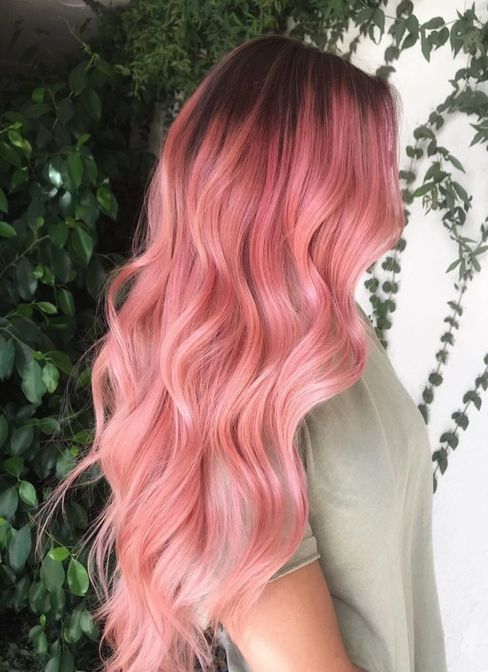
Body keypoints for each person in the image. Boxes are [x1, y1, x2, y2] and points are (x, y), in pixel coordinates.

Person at [37, 33, 447, 672]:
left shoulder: (338, 328)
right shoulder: (227, 405)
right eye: (368, 174)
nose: (389, 210)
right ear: (301, 193)